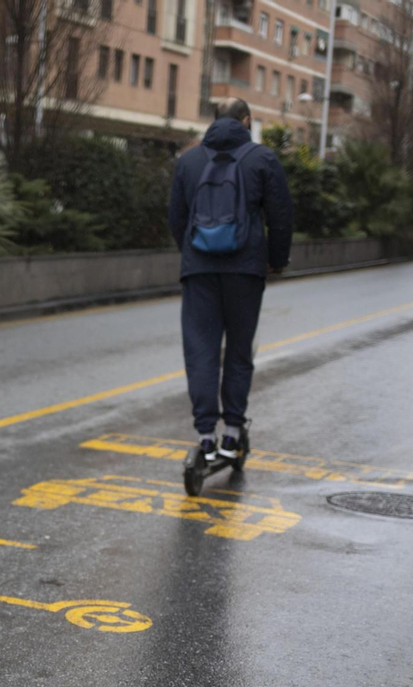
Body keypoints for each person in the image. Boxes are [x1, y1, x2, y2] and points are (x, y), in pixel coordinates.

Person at [167, 97, 293, 462]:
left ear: (214, 120)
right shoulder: (263, 158)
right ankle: (232, 434)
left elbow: (176, 217)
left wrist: (191, 252)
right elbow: (281, 215)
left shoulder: (188, 161)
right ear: (247, 120)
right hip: (245, 270)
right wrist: (276, 261)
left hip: (199, 271)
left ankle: (206, 435)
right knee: (239, 351)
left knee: (201, 351)